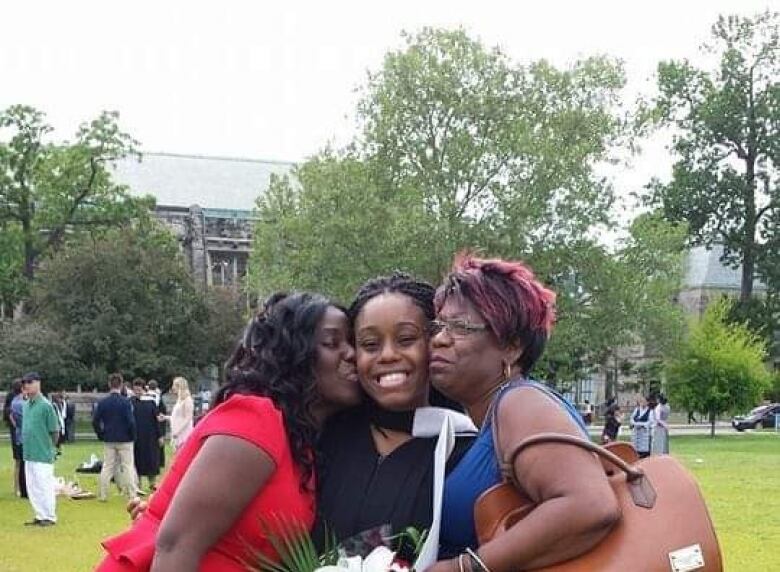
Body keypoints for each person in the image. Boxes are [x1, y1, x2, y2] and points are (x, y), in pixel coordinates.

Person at [97, 292, 362, 571]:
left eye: (353, 343)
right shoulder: (256, 420)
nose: (352, 354)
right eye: (332, 343)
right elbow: (176, 546)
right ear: (293, 354)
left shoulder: (301, 443)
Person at [427, 253, 619, 570]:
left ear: (512, 346)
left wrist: (461, 567)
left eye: (459, 327)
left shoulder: (521, 403)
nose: (439, 339)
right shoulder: (492, 417)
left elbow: (591, 505)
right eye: (438, 326)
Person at [314, 273, 476, 563]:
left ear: (433, 344)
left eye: (406, 339)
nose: (387, 355)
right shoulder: (326, 436)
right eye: (370, 344)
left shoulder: (463, 450)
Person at [20, 372, 60, 526]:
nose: (27, 386)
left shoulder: (46, 406)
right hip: (29, 452)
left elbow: (54, 430)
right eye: (25, 383)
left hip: (42, 452)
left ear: (38, 383)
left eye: (30, 382)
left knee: (44, 485)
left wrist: (52, 447)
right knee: (32, 486)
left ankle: (49, 516)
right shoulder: (26, 406)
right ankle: (40, 514)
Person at [93, 373, 138, 501]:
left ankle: (103, 494)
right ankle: (132, 493)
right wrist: (133, 435)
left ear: (109, 385)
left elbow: (95, 421)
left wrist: (100, 434)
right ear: (121, 385)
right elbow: (131, 421)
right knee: (128, 466)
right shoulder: (125, 402)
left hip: (109, 438)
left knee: (107, 466)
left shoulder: (103, 403)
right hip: (125, 439)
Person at [130, 379, 162, 492]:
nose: (137, 392)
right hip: (136, 435)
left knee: (151, 460)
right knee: (137, 460)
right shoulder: (131, 402)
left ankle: (152, 482)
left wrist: (159, 435)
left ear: (143, 389)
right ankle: (137, 484)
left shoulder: (151, 402)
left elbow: (156, 420)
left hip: (150, 435)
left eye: (139, 389)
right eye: (135, 390)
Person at [5, 379, 28, 497]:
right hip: (18, 434)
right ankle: (18, 487)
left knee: (19, 462)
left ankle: (18, 487)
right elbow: (9, 416)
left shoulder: (17, 400)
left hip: (17, 432)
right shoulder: (17, 402)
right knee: (20, 461)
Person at [163, 377, 194, 452]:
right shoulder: (179, 400)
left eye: (174, 385)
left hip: (183, 432)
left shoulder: (188, 400)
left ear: (179, 387)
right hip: (177, 431)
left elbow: (188, 418)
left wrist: (178, 431)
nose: (173, 388)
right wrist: (165, 417)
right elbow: (176, 417)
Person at [146, 380, 167, 468]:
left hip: (149, 423)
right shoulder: (158, 397)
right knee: (159, 445)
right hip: (159, 421)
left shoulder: (146, 396)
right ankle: (160, 461)